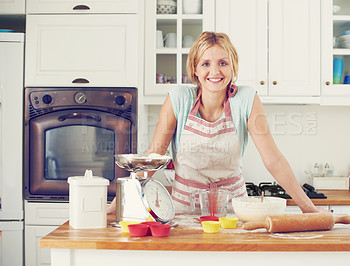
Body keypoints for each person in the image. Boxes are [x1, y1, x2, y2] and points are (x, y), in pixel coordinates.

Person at [108, 31, 324, 214]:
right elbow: (154, 156)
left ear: (233, 67)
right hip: (184, 210)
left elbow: (273, 159)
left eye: (223, 63)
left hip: (233, 210)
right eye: (205, 64)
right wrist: (118, 204)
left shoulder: (246, 99)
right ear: (195, 69)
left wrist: (309, 209)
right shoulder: (179, 98)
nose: (215, 71)